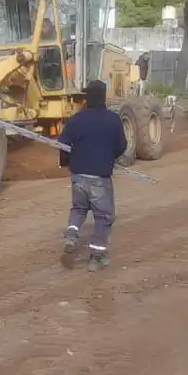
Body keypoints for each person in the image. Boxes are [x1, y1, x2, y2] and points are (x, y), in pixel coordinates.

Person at [59, 80, 128, 272]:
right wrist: (108, 156)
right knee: (103, 216)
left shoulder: (76, 119)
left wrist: (69, 162)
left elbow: (63, 145)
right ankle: (96, 258)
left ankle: (71, 238)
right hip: (99, 176)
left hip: (78, 175)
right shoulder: (113, 119)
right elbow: (121, 147)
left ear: (87, 96)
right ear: (103, 96)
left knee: (79, 209)